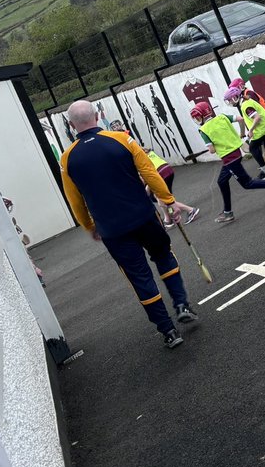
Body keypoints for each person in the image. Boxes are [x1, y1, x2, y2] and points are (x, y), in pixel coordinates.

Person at [60, 100, 199, 350]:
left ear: (71, 126)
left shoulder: (67, 158)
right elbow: (149, 173)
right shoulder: (123, 139)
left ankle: (168, 330)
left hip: (111, 229)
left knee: (139, 277)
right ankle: (181, 304)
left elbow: (75, 201)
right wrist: (169, 201)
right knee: (164, 257)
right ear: (97, 116)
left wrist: (88, 225)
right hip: (144, 216)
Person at [189, 101, 265, 223]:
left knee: (247, 184)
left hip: (229, 158)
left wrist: (213, 145)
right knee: (221, 181)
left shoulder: (203, 130)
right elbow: (240, 119)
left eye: (197, 117)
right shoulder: (222, 117)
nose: (197, 119)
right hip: (236, 153)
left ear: (202, 115)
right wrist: (241, 133)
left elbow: (212, 150)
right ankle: (227, 212)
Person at [109, 119, 199, 228]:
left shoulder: (131, 153)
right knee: (161, 200)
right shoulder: (137, 147)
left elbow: (146, 174)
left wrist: (145, 189)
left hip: (159, 172)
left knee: (163, 201)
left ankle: (190, 210)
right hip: (167, 169)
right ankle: (168, 219)